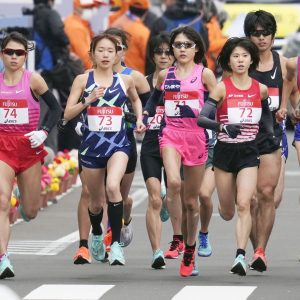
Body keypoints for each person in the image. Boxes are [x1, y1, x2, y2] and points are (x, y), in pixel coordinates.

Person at [64, 33, 145, 266]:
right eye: (101, 50)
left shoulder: (125, 80)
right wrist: (88, 100)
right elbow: (68, 114)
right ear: (92, 54)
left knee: (113, 187)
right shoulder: (82, 80)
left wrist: (139, 119)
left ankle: (117, 245)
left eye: (111, 50)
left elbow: (136, 99)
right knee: (96, 202)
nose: (106, 55)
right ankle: (97, 233)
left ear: (118, 53)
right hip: (91, 146)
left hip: (119, 143)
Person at [143, 26, 217, 277]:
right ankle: (175, 224)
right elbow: (154, 99)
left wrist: (221, 128)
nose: (182, 49)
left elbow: (216, 105)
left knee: (191, 203)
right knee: (173, 181)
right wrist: (145, 114)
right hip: (171, 135)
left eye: (187, 45)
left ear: (196, 48)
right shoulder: (165, 75)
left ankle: (190, 249)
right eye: (178, 45)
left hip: (196, 137)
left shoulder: (205, 75)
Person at [198, 37, 273, 276]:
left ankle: (240, 255)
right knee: (229, 211)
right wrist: (222, 127)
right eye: (235, 56)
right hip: (224, 151)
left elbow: (267, 115)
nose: (240, 60)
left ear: (252, 59)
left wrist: (270, 132)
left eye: (244, 56)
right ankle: (224, 206)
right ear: (228, 61)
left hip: (249, 152)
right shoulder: (222, 87)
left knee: (245, 203)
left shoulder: (259, 89)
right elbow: (202, 118)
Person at [0, 31, 61, 279]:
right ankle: (3, 257)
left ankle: (19, 195)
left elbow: (56, 108)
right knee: (1, 201)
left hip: (28, 147)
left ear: (26, 55)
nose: (14, 57)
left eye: (19, 53)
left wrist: (44, 132)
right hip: (2, 146)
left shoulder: (34, 80)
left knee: (31, 211)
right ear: (2, 54)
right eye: (9, 52)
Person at [243, 10, 298, 272]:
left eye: (266, 32)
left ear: (273, 34)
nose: (262, 37)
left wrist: (295, 109)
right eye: (256, 33)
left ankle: (260, 249)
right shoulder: (241, 64)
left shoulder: (285, 64)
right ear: (248, 36)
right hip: (244, 138)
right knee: (250, 200)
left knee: (269, 197)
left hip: (274, 139)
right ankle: (257, 250)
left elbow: (295, 93)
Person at [140, 32, 175, 269]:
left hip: (176, 144)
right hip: (151, 145)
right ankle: (156, 251)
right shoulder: (142, 81)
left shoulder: (184, 80)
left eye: (168, 52)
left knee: (176, 195)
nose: (163, 56)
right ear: (152, 55)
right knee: (153, 197)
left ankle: (182, 240)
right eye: (158, 52)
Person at [33, 0, 70, 152]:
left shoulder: (31, 14)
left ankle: (49, 153)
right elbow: (60, 35)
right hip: (49, 70)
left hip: (35, 68)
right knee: (48, 111)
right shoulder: (51, 14)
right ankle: (49, 153)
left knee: (42, 111)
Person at [145, 0, 209, 75]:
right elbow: (205, 47)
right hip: (192, 74)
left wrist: (150, 76)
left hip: (163, 73)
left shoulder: (161, 21)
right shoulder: (198, 21)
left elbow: (151, 51)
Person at [110, 0, 151, 74]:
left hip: (113, 74)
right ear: (146, 12)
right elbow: (149, 58)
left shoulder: (116, 23)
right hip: (134, 77)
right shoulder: (143, 32)